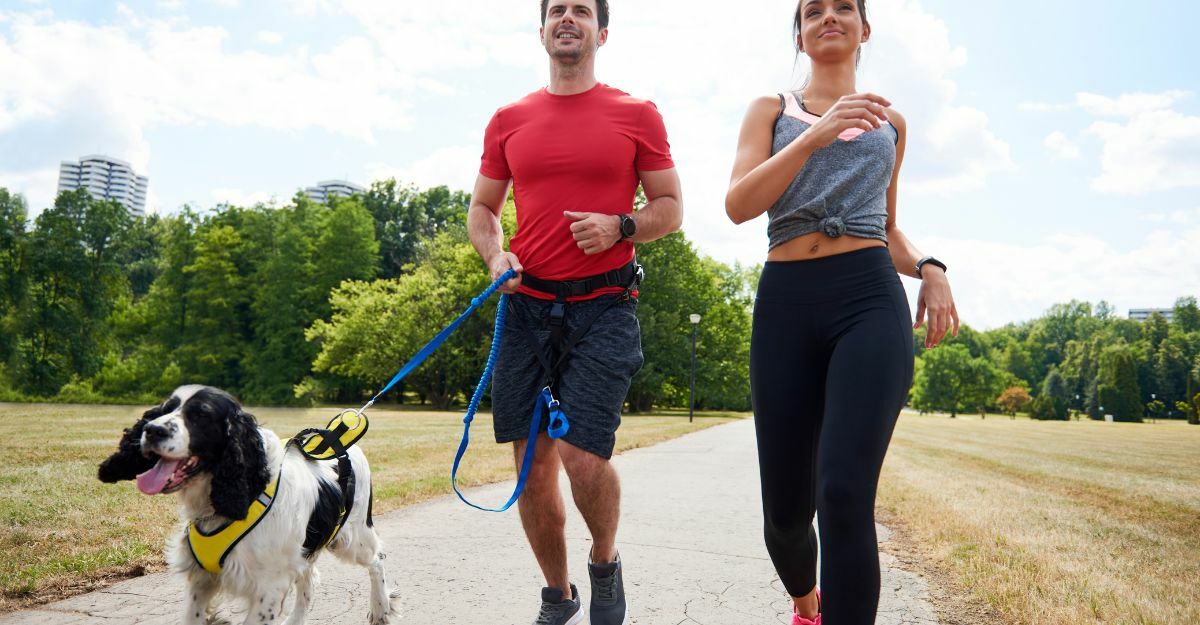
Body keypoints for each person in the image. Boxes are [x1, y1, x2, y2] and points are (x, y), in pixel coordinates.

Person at [724, 1, 959, 624]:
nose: (830, 16)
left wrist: (930, 267)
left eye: (844, 8)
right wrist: (818, 133)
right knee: (785, 519)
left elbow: (886, 226)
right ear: (799, 34)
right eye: (813, 10)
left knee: (845, 493)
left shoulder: (892, 124)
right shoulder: (771, 109)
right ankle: (807, 603)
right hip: (787, 303)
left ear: (864, 29)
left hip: (868, 299)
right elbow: (739, 203)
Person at [466, 1, 682, 623]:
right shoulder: (508, 119)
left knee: (581, 453)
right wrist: (494, 254)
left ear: (601, 32)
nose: (567, 17)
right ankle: (557, 597)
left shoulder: (636, 114)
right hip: (526, 308)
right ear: (541, 31)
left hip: (605, 305)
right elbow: (483, 210)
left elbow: (670, 206)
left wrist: (622, 226)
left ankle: (605, 562)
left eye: (581, 10)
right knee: (531, 466)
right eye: (556, 8)